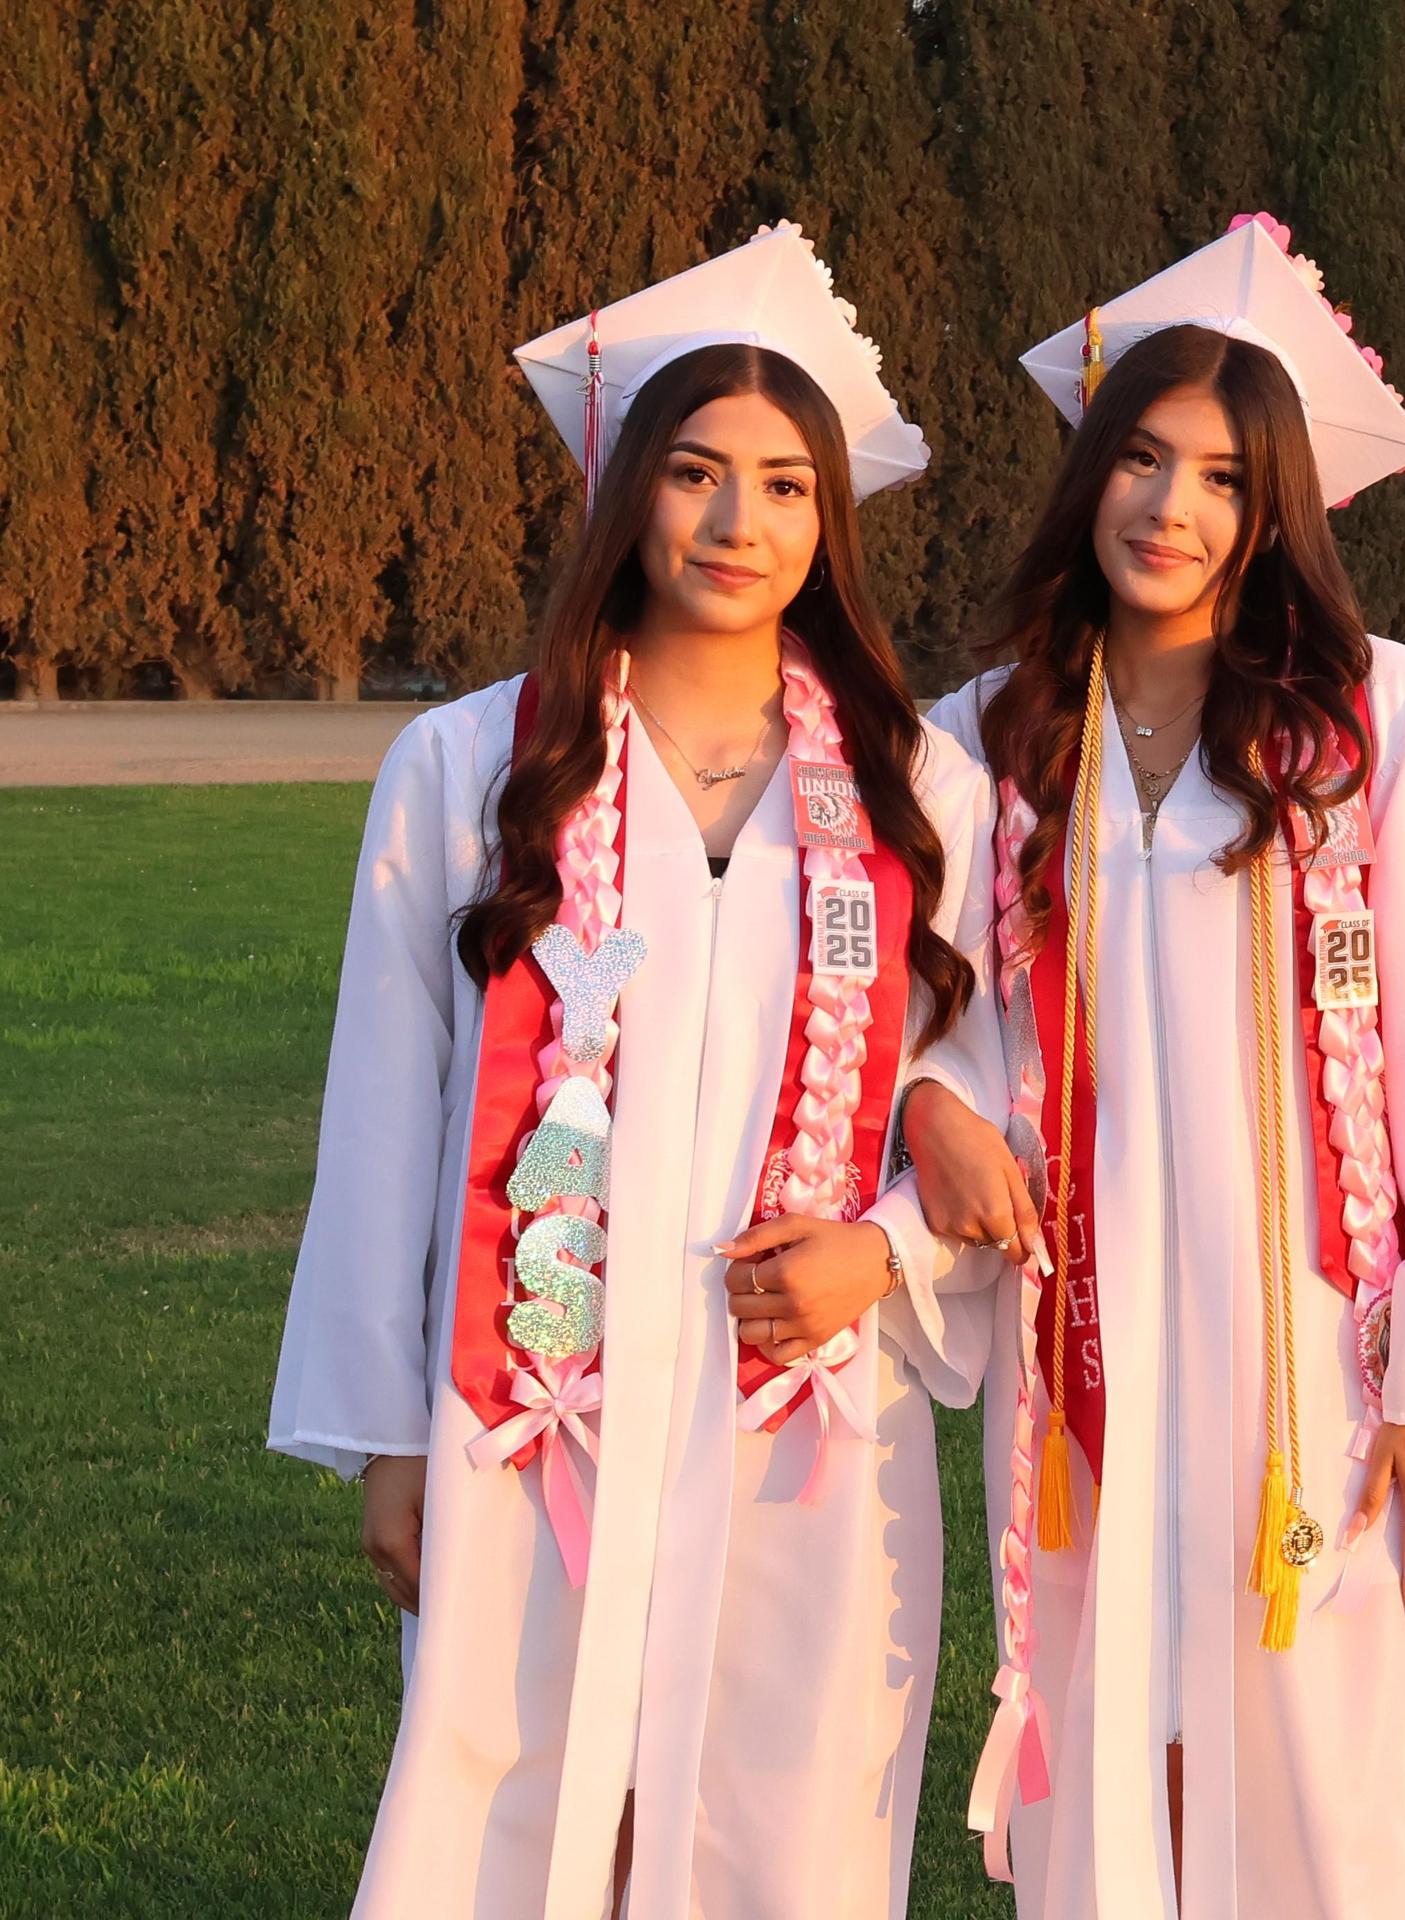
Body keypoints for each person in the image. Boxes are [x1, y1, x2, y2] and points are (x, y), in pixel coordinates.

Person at [268, 223, 1008, 1920]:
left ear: (830, 521)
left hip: (804, 1408)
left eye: (786, 486)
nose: (740, 524)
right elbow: (384, 1111)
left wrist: (884, 1248)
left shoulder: (913, 791)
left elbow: (983, 1084)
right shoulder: (474, 764)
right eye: (694, 474)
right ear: (626, 495)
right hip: (539, 1411)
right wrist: (388, 1434)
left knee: (784, 1825)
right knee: (516, 1805)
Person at [903, 214, 1405, 1918]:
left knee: (1330, 1784)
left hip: (1327, 1370)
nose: (1173, 508)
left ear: (1280, 505)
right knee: (1111, 1742)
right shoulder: (988, 738)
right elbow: (927, 1010)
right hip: (1087, 1354)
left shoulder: (1389, 733)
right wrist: (934, 1102)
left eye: (1226, 478)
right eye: (1141, 458)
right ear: (1089, 472)